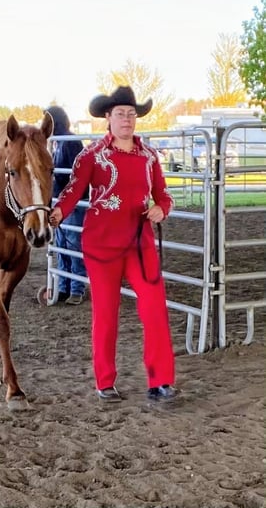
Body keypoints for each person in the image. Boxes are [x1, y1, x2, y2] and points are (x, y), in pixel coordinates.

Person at [49, 86, 177, 403]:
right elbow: (73, 191)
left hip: (139, 244)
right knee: (106, 314)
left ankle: (161, 380)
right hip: (102, 246)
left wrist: (162, 209)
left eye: (131, 114)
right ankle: (105, 381)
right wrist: (56, 214)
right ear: (108, 117)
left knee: (155, 309)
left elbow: (164, 194)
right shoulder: (91, 155)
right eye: (121, 114)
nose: (127, 119)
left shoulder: (149, 157)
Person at [45, 105, 88, 305]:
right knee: (62, 244)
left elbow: (76, 175)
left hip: (73, 202)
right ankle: (63, 286)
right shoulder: (56, 142)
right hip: (60, 201)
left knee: (73, 243)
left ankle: (77, 288)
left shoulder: (70, 142)